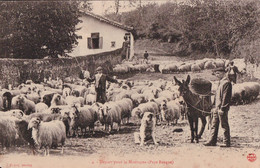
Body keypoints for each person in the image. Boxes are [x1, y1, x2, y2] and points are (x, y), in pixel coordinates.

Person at [204, 68, 232, 147]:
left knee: (224, 124)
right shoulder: (221, 82)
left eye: (218, 73)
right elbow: (217, 95)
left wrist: (222, 108)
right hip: (216, 107)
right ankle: (212, 141)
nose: (217, 75)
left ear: (223, 73)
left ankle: (226, 142)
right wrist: (213, 105)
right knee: (214, 124)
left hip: (221, 108)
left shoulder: (227, 83)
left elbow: (226, 97)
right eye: (216, 74)